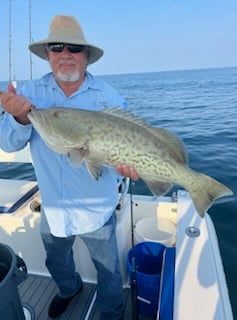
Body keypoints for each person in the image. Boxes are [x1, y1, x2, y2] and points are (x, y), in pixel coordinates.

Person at [0, 15, 138, 320]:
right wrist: (20, 117)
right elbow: (8, 145)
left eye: (74, 48)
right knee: (56, 261)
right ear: (47, 55)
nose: (65, 54)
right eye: (56, 47)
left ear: (87, 55)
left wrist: (126, 166)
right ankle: (69, 289)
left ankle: (112, 313)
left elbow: (127, 145)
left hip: (97, 208)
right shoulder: (26, 92)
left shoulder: (109, 96)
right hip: (53, 205)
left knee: (108, 271)